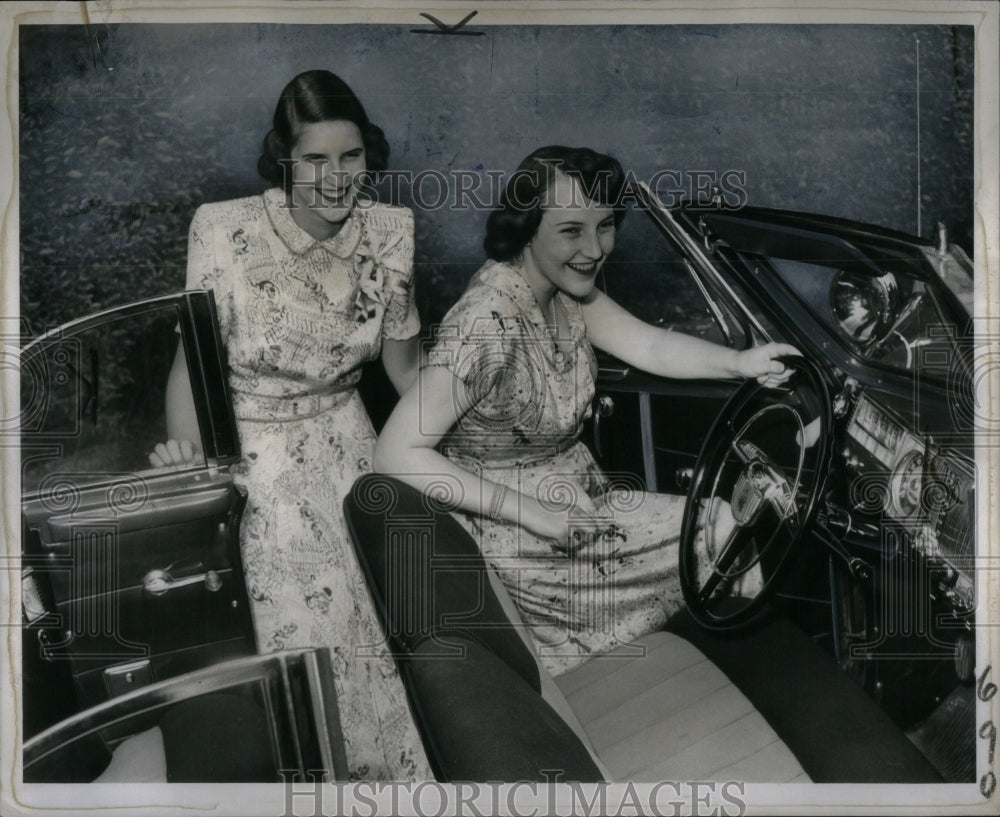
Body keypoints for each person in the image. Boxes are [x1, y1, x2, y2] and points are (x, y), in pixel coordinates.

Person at [374, 146, 798, 676]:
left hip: (581, 510)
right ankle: (736, 687)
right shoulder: (487, 320)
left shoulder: (564, 291)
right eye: (571, 230)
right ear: (527, 227)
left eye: (605, 227)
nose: (594, 249)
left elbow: (648, 346)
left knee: (724, 531)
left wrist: (740, 363)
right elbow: (394, 454)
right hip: (525, 540)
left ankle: (726, 693)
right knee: (718, 528)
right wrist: (537, 514)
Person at [151, 70, 430, 780]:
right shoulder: (223, 230)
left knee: (403, 642)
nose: (336, 178)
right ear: (284, 157)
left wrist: (478, 433)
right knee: (310, 655)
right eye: (315, 160)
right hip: (260, 466)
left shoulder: (391, 233)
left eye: (350, 157)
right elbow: (191, 364)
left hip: (357, 451)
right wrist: (194, 463)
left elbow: (406, 372)